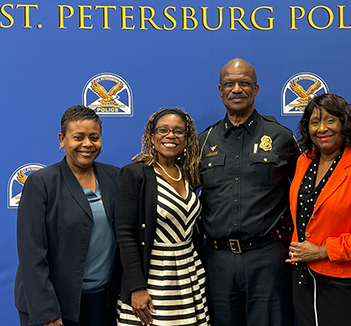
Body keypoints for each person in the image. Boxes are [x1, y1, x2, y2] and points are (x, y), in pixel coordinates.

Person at [198, 58, 299, 326]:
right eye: (229, 84)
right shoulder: (203, 141)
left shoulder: (281, 137)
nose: (236, 89)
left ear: (256, 89)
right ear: (220, 91)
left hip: (266, 258)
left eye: (244, 83)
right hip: (217, 261)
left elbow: (304, 194)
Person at [286, 93, 351, 326]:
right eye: (314, 122)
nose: (321, 129)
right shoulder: (304, 160)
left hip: (341, 280)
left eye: (330, 120)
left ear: (344, 123)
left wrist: (322, 251)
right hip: (301, 276)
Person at [14, 105, 120, 326]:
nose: (87, 144)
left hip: (102, 303)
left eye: (94, 137)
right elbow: (31, 254)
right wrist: (46, 311)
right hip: (55, 305)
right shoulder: (41, 183)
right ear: (62, 140)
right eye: (78, 137)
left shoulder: (115, 177)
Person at [115, 108, 210, 326]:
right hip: (153, 277)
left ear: (186, 140)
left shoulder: (187, 174)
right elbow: (125, 235)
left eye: (178, 131)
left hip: (189, 276)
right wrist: (136, 287)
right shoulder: (135, 173)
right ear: (152, 137)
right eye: (163, 130)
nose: (170, 136)